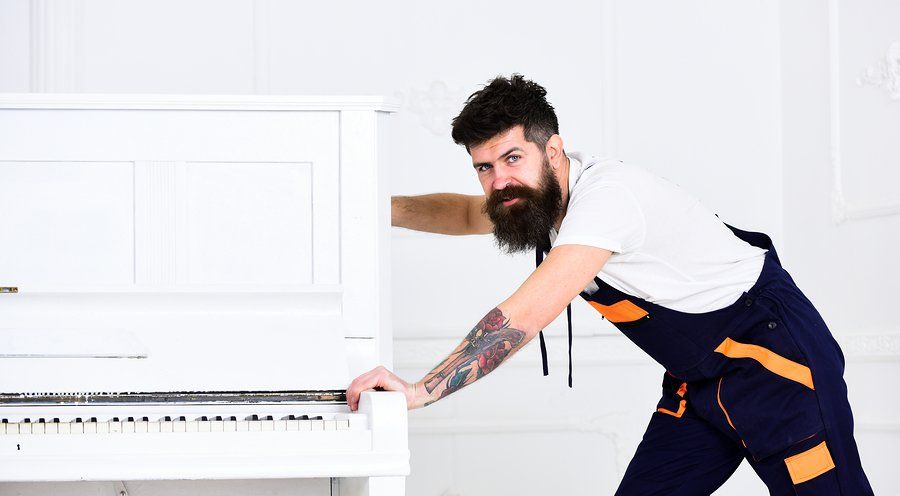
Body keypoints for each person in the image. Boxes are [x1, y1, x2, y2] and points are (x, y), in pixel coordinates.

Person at [345, 74, 873, 495]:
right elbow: (464, 214)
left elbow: (524, 315)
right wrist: (373, 207)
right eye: (484, 167)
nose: (499, 181)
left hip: (777, 363)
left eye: (512, 158)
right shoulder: (534, 198)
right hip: (698, 379)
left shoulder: (607, 199)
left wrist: (419, 391)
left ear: (553, 150)